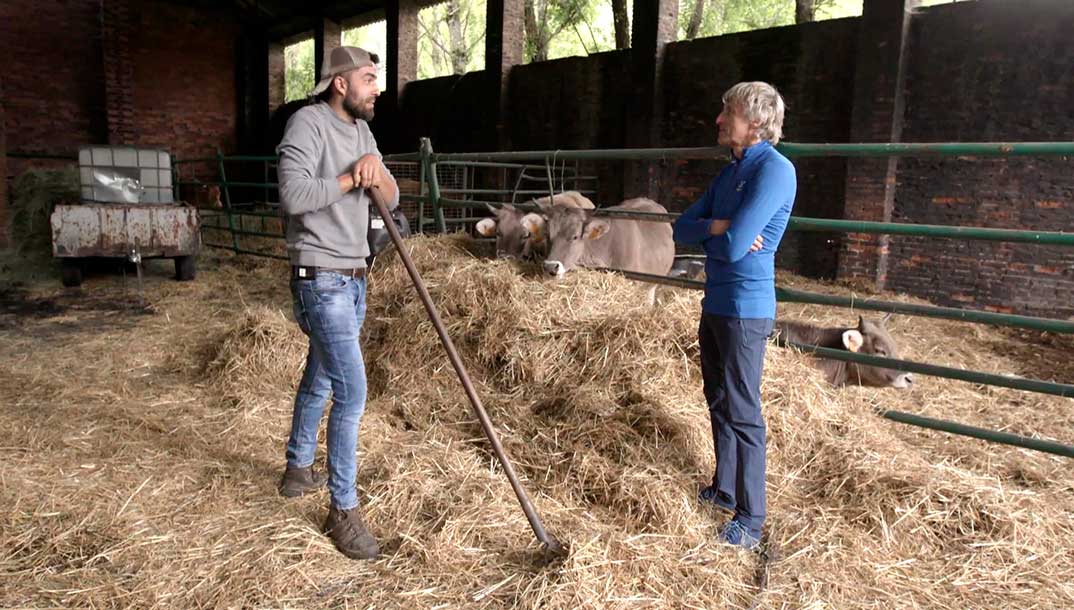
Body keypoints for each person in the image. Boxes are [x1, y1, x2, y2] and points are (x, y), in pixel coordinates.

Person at [275, 46, 399, 560]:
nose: (377, 87)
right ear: (340, 84)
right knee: (353, 390)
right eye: (369, 78)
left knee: (323, 376)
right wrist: (352, 177)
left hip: (354, 274)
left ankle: (298, 468)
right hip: (319, 274)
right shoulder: (307, 124)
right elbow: (294, 197)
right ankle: (342, 511)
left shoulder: (363, 132)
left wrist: (375, 168)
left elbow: (389, 198)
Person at [672, 81, 796, 551]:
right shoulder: (729, 176)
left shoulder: (776, 171)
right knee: (718, 398)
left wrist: (725, 234)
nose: (720, 121)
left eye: (729, 114)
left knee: (744, 411)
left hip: (746, 309)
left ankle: (751, 517)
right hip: (716, 302)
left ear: (757, 122)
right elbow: (682, 226)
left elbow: (735, 245)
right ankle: (724, 488)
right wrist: (721, 228)